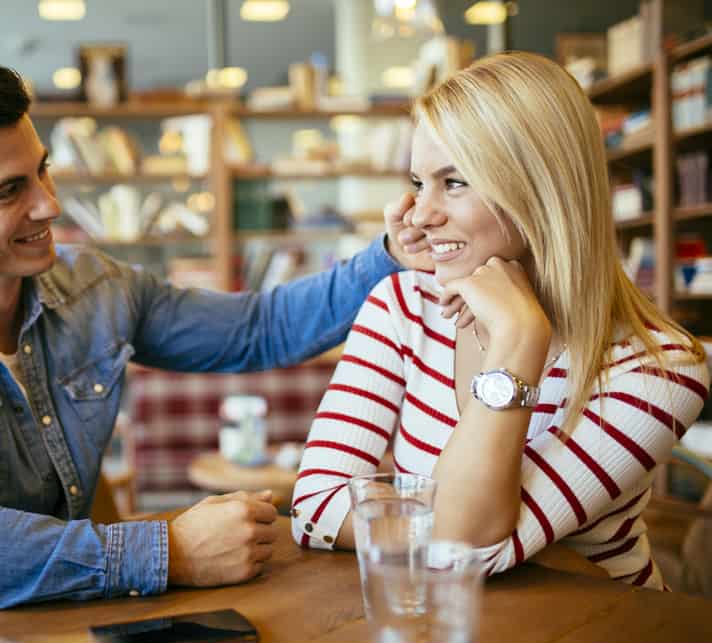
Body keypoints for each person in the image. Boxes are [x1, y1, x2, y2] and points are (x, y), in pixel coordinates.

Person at [0, 49, 424, 609]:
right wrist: (164, 552)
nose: (49, 203)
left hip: (63, 623)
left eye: (42, 169)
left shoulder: (96, 288)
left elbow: (261, 328)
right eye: (9, 190)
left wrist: (390, 252)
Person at [291, 52, 710, 590]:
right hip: (446, 633)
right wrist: (432, 528)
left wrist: (518, 338)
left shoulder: (660, 368)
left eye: (456, 182)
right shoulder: (402, 306)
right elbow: (312, 506)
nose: (419, 215)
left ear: (541, 189)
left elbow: (455, 546)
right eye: (420, 182)